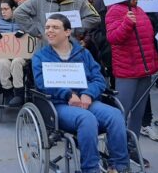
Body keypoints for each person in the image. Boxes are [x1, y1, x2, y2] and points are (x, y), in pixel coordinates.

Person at [33, 14, 130, 173]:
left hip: (87, 100)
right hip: (59, 104)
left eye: (55, 27)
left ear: (67, 32)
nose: (49, 31)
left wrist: (88, 94)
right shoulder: (41, 56)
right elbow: (42, 83)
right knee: (87, 119)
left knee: (115, 115)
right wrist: (68, 94)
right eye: (47, 27)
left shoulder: (83, 54)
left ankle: (119, 166)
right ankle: (91, 169)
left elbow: (98, 78)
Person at [106, 0, 158, 168]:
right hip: (127, 72)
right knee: (120, 115)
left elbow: (147, 41)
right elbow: (113, 37)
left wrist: (154, 63)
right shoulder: (115, 10)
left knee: (137, 115)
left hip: (144, 71)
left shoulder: (140, 10)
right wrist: (127, 23)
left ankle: (132, 149)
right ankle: (115, 153)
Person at [0, 0, 26, 106]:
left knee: (16, 62)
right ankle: (8, 92)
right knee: (2, 63)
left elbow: (32, 30)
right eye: (1, 9)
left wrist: (25, 29)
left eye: (6, 9)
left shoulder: (22, 20)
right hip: (4, 54)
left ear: (14, 9)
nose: (3, 12)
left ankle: (19, 94)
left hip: (20, 55)